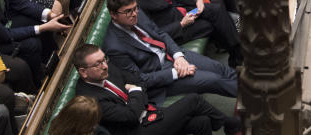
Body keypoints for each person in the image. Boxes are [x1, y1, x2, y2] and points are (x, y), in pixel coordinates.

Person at [102, 0, 238, 100]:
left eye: (135, 8)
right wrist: (175, 73)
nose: (134, 14)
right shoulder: (113, 46)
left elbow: (160, 34)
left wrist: (178, 56)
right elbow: (139, 79)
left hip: (172, 55)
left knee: (220, 68)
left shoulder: (138, 14)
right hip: (161, 76)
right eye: (128, 11)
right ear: (113, 14)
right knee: (213, 80)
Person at [73, 44, 238, 135]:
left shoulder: (107, 70)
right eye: (97, 64)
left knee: (202, 122)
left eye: (104, 60)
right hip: (137, 130)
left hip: (147, 113)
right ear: (83, 72)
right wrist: (135, 93)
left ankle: (229, 125)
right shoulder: (89, 98)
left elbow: (138, 82)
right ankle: (231, 125)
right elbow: (130, 116)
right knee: (193, 100)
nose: (104, 66)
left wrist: (136, 95)